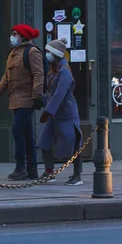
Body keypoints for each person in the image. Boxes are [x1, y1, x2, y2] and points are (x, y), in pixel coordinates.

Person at [0, 24, 45, 180]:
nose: (13, 36)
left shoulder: (32, 52)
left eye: (15, 34)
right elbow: (6, 76)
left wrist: (36, 96)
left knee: (17, 130)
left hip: (26, 99)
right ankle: (32, 169)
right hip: (15, 99)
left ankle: (21, 167)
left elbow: (38, 74)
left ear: (23, 36)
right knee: (27, 133)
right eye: (13, 34)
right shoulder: (13, 53)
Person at [37, 38, 84, 186]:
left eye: (48, 52)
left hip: (66, 112)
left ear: (55, 53)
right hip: (53, 112)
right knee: (44, 141)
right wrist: (41, 101)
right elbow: (51, 92)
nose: (46, 54)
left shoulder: (65, 72)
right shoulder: (53, 68)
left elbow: (60, 94)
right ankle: (49, 172)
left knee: (73, 142)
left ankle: (77, 175)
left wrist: (47, 111)